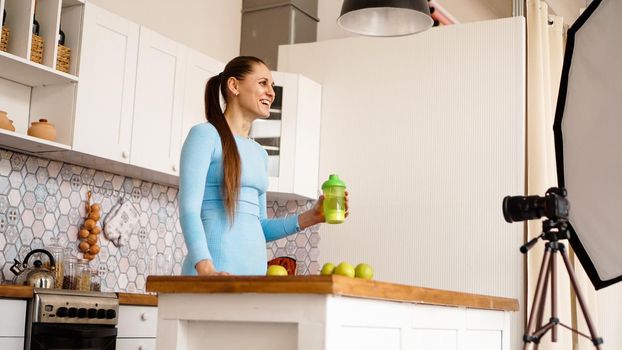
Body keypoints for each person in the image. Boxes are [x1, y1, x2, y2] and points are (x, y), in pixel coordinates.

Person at [179, 56, 348, 276]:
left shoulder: (259, 153)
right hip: (210, 277)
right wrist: (206, 269)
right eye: (263, 83)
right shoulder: (204, 136)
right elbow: (189, 210)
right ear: (234, 86)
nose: (271, 92)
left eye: (272, 86)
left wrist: (311, 217)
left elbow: (259, 225)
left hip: (253, 278)